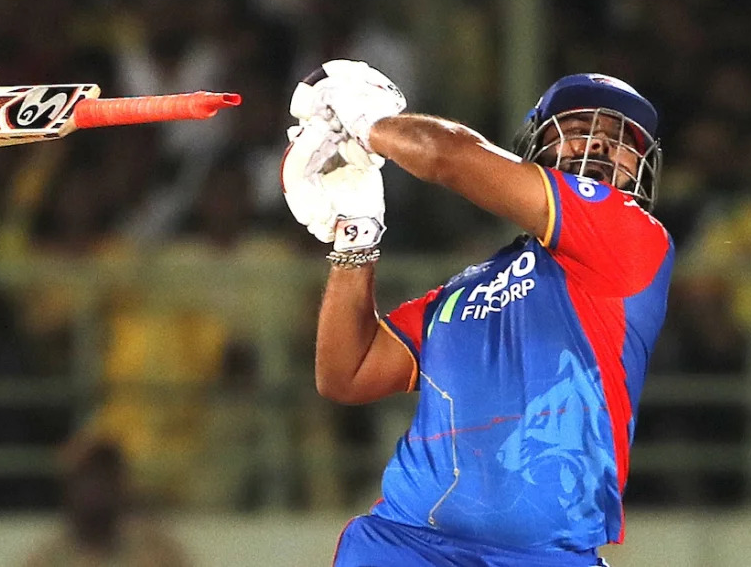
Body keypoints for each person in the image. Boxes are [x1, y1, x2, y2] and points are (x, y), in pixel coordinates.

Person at [281, 61, 674, 566]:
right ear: (537, 149)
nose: (598, 144)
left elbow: (445, 156)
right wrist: (357, 233)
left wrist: (368, 124)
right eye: (578, 130)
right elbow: (346, 375)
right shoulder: (465, 288)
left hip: (547, 557)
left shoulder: (633, 237)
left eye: (621, 138)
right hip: (406, 546)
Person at [22, 438, 190, 567]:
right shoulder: (46, 560)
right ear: (67, 488)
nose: (96, 488)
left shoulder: (157, 554)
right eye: (86, 477)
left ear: (121, 483)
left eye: (104, 477)